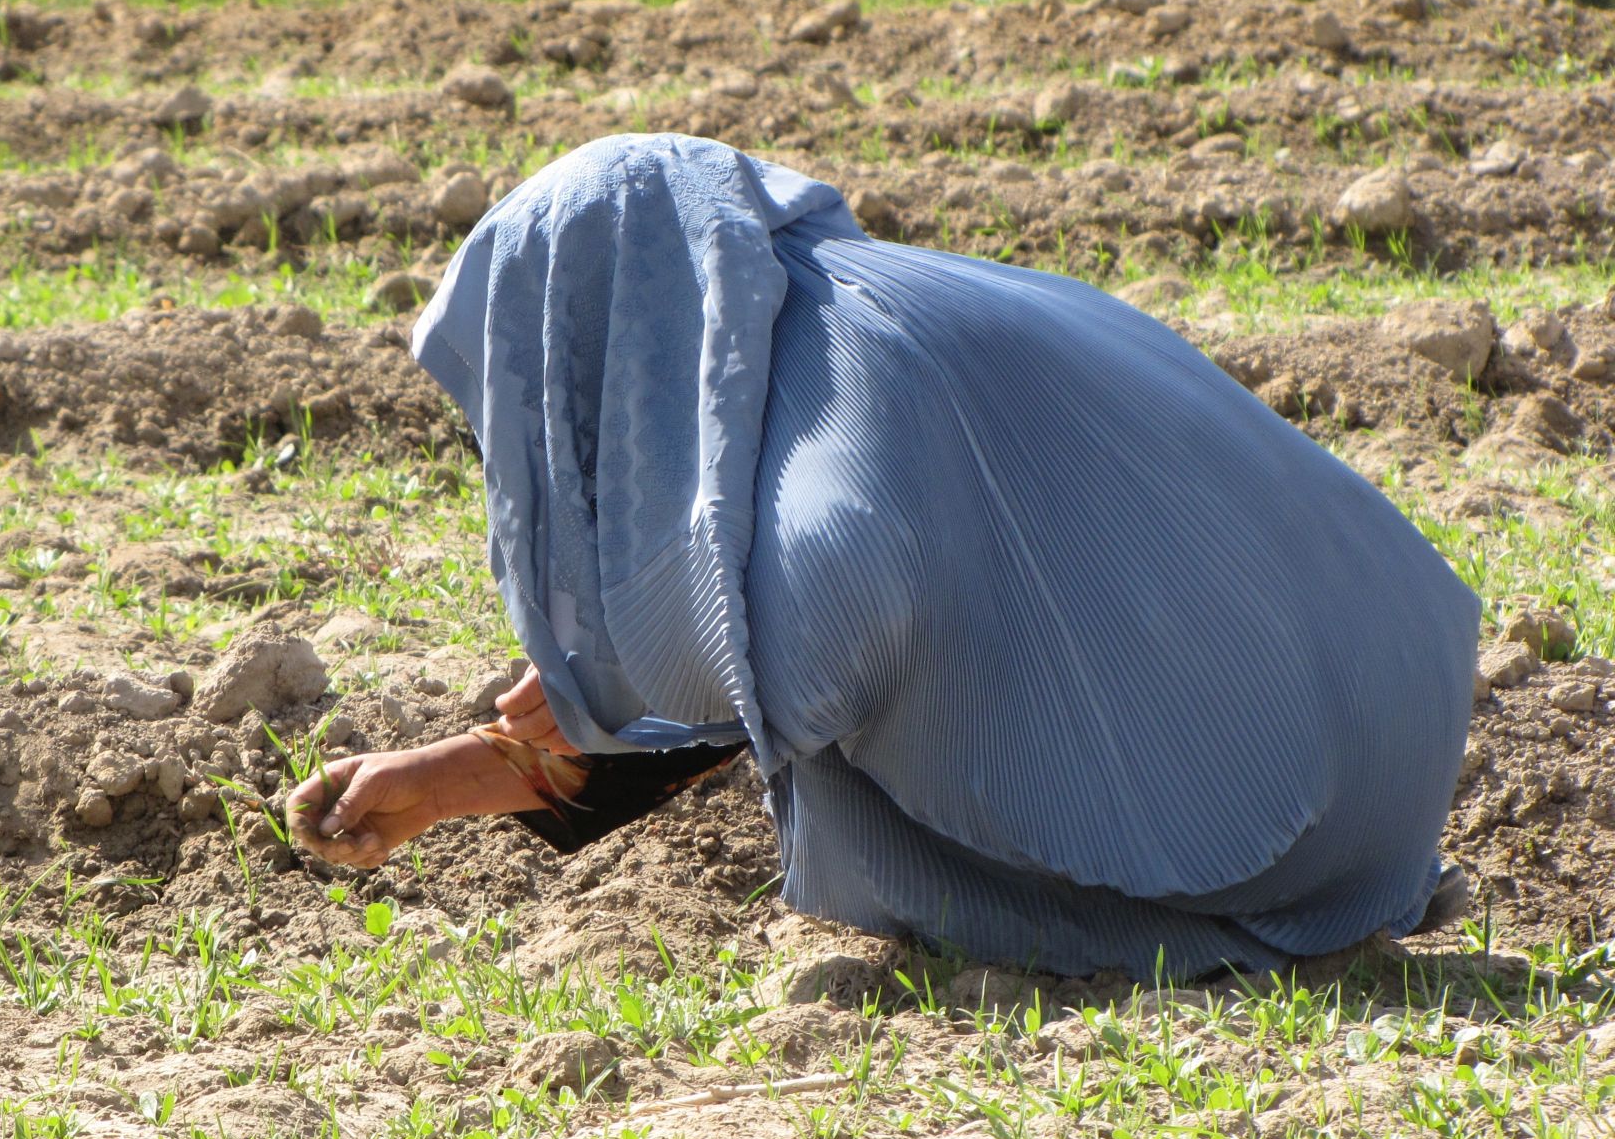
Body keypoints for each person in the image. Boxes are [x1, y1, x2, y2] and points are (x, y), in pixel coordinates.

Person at [288, 133, 1480, 979]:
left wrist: (630, 679)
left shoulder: (841, 358)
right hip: (1380, 772)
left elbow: (827, 638)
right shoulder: (843, 306)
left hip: (1269, 829)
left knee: (845, 776)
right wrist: (456, 780)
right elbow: (786, 646)